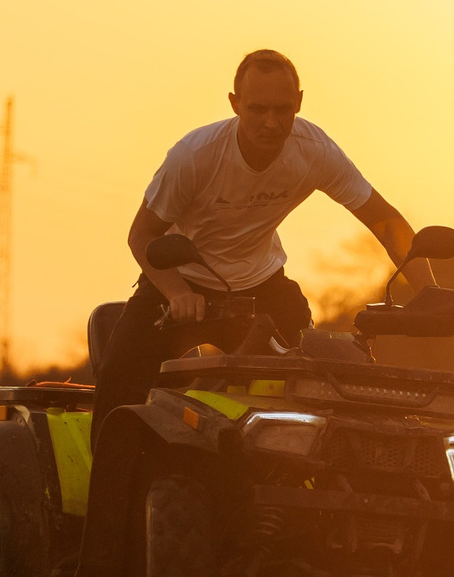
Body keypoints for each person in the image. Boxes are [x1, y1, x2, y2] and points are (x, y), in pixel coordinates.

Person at [90, 49, 436, 429]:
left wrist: (429, 295)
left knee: (326, 383)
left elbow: (386, 222)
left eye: (282, 110)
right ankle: (109, 485)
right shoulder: (194, 156)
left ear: (299, 103)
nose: (271, 123)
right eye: (257, 110)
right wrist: (177, 293)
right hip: (178, 285)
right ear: (235, 104)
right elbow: (142, 234)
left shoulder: (315, 151)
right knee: (117, 389)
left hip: (261, 286)